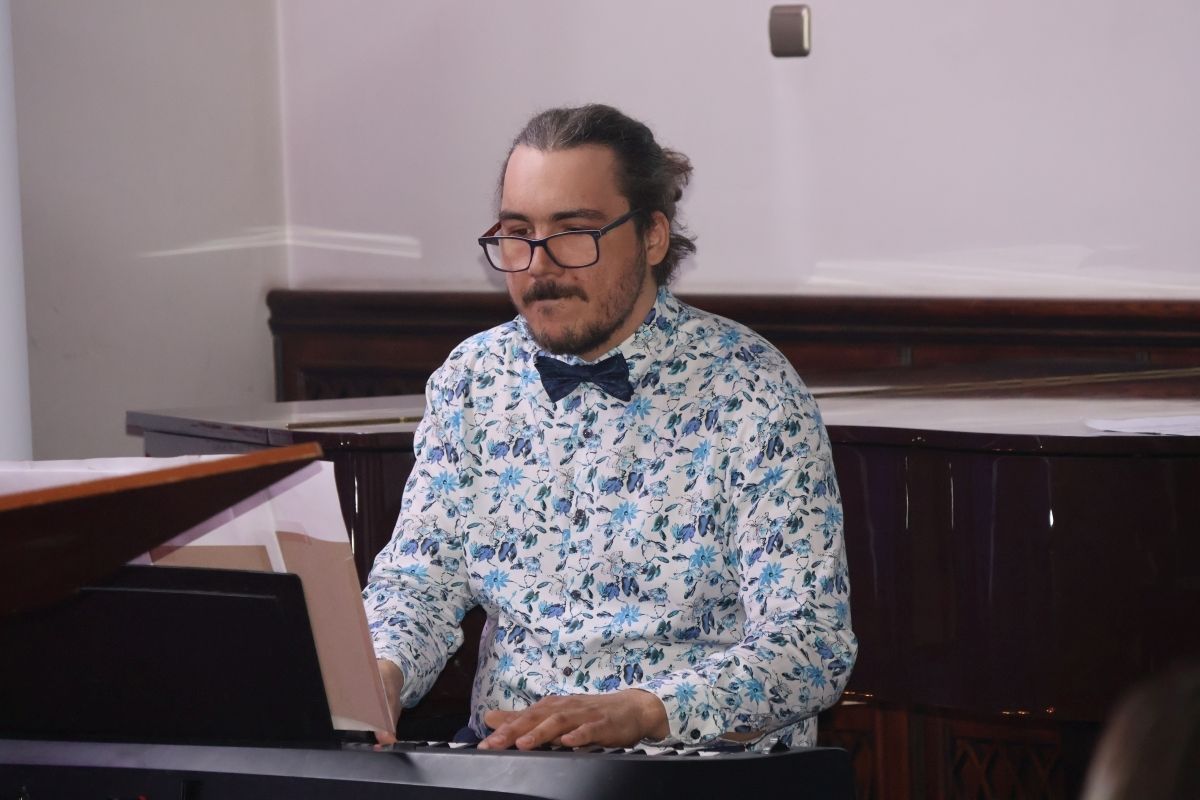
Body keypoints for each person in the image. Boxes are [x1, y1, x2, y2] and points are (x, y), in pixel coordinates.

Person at [364, 103, 856, 752]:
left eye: (574, 232)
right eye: (518, 233)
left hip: (694, 766)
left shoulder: (752, 389)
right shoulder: (472, 379)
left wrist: (647, 711)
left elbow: (811, 643)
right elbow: (418, 583)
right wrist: (377, 678)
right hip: (507, 762)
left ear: (652, 237)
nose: (539, 266)